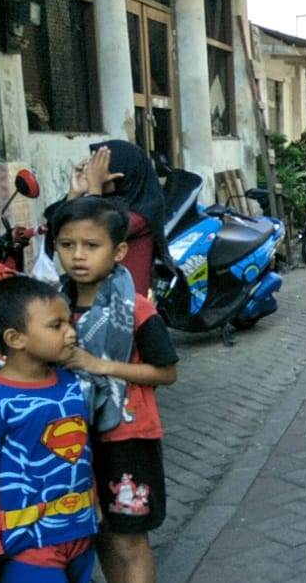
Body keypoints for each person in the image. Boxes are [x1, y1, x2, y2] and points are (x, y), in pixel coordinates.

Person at [52, 197, 178, 583]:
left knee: (129, 540)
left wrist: (100, 365)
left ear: (119, 251)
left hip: (127, 438)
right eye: (67, 244)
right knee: (100, 532)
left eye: (91, 245)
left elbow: (166, 372)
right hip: (72, 437)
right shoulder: (53, 309)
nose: (78, 255)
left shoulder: (136, 308)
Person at [0, 276, 97, 583]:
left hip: (81, 531)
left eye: (69, 322)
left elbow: (83, 453)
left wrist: (94, 504)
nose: (71, 333)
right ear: (15, 338)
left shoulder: (72, 383)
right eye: (56, 326)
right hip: (28, 545)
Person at [46, 141, 171, 293]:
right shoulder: (105, 203)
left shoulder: (142, 212)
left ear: (121, 175)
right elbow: (65, 230)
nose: (92, 174)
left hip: (122, 298)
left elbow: (95, 228)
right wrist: (75, 193)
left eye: (99, 170)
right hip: (93, 292)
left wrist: (95, 186)